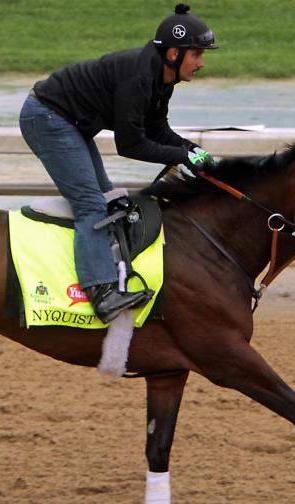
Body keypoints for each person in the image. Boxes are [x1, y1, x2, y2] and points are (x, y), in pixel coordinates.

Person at [19, 3, 218, 323]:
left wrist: (192, 149)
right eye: (197, 54)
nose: (202, 63)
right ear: (173, 54)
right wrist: (182, 156)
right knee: (90, 205)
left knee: (109, 199)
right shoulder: (139, 78)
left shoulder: (162, 79)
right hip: (47, 117)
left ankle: (107, 274)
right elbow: (130, 144)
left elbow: (157, 130)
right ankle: (100, 291)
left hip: (69, 121)